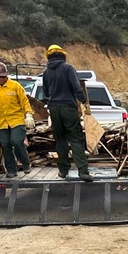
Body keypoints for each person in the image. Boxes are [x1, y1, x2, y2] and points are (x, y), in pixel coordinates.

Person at [41, 44, 92, 182]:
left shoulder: (46, 72)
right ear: (63, 55)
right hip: (68, 108)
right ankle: (83, 171)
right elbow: (77, 88)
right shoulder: (68, 68)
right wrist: (84, 102)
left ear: (49, 56)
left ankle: (63, 171)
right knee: (75, 138)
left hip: (54, 109)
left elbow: (45, 92)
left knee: (60, 139)